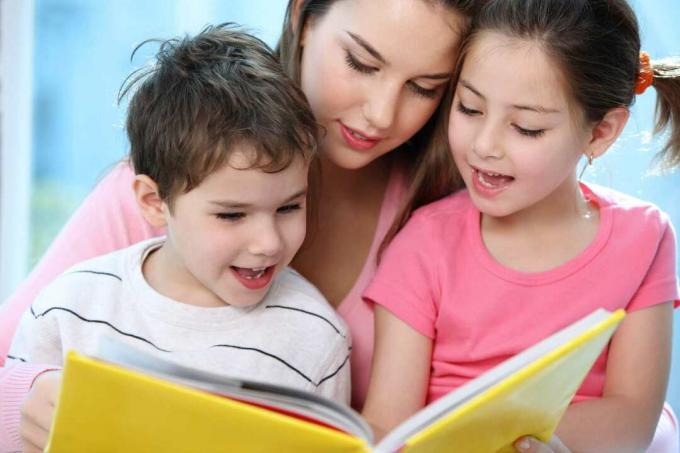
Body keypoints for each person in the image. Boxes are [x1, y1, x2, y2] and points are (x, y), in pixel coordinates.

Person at [0, 0, 477, 451]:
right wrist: (29, 397)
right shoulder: (160, 194)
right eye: (361, 62)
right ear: (303, 18)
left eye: (424, 87)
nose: (381, 113)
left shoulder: (439, 223)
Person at [5, 22, 354, 450]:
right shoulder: (70, 309)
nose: (268, 242)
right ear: (154, 202)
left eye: (288, 207)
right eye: (231, 215)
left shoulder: (317, 338)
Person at [361, 0, 680, 452]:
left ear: (601, 132)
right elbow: (389, 426)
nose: (485, 145)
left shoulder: (644, 237)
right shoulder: (424, 244)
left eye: (526, 128)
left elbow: (632, 418)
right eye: (469, 108)